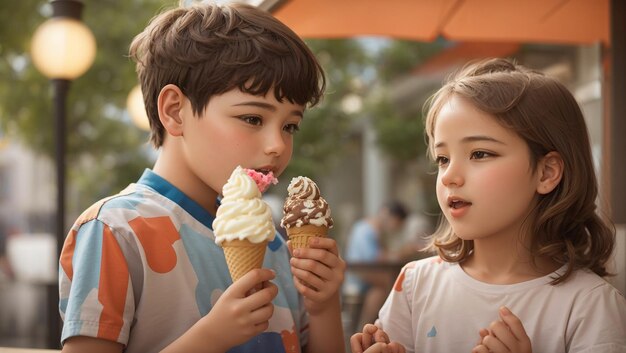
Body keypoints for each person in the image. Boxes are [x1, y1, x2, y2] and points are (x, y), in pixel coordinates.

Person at [59, 3, 346, 353]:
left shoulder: (272, 243)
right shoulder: (115, 231)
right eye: (253, 119)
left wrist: (323, 307)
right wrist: (210, 337)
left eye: (290, 126)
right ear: (175, 111)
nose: (277, 146)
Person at [351, 58, 626, 353]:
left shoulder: (591, 305)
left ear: (547, 173)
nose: (450, 177)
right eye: (442, 159)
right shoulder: (415, 285)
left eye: (480, 153)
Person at [343, 201, 408, 333]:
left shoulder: (371, 229)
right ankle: (365, 328)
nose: (395, 227)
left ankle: (377, 326)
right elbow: (373, 258)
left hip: (363, 272)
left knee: (392, 282)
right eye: (397, 223)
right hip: (358, 274)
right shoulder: (366, 230)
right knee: (388, 284)